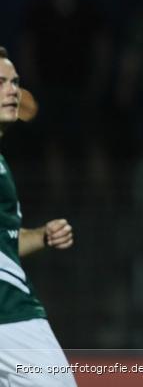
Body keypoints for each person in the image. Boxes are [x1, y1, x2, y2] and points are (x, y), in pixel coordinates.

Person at [0, 46, 76, 386]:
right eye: (1, 82)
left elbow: (7, 246)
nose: (13, 89)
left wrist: (42, 235)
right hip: (11, 317)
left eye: (15, 82)